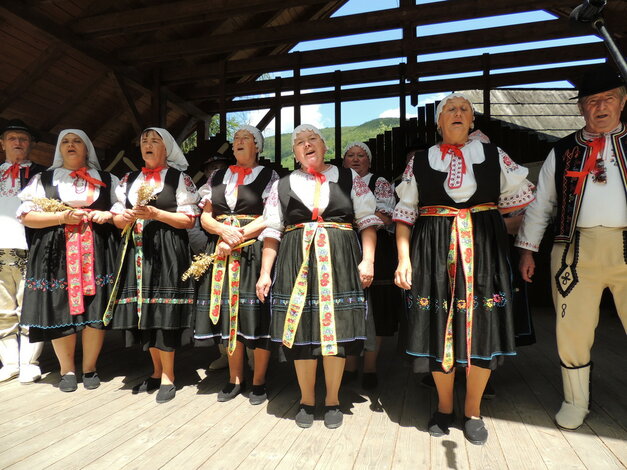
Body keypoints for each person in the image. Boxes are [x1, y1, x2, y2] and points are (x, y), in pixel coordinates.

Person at [394, 93, 534, 445]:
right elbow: (405, 213)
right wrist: (403, 258)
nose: (457, 114)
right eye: (450, 110)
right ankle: (443, 407)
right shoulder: (422, 160)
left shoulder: (493, 155)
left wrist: (505, 238)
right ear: (439, 122)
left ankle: (472, 411)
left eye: (464, 110)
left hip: (483, 251)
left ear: (472, 122)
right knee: (438, 325)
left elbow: (521, 205)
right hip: (432, 249)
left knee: (481, 327)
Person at [516, 64, 627, 430]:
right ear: (581, 108)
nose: (600, 107)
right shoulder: (562, 151)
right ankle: (575, 400)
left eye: (608, 99)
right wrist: (528, 249)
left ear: (622, 102)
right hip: (574, 253)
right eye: (592, 101)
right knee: (573, 329)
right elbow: (541, 203)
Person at [256, 124, 380, 429]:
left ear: (324, 146)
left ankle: (334, 399)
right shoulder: (282, 185)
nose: (306, 144)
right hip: (295, 261)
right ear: (294, 152)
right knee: (301, 333)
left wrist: (369, 260)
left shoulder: (350, 178)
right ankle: (307, 399)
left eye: (312, 139)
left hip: (341, 260)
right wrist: (264, 273)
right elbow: (272, 231)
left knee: (336, 332)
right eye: (299, 142)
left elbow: (366, 221)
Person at [18, 129, 119, 392]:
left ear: (87, 149)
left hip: (97, 250)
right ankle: (67, 370)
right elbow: (26, 216)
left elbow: (122, 212)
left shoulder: (107, 179)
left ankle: (90, 368)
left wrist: (108, 216)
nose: (70, 145)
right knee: (59, 306)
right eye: (65, 142)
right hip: (55, 253)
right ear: (59, 149)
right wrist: (62, 218)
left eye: (77, 142)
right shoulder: (45, 179)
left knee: (94, 308)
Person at [108, 127, 199, 404]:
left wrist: (156, 213)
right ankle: (156, 371)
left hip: (167, 249)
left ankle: (169, 376)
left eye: (154, 141)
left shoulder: (179, 178)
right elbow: (116, 217)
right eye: (144, 140)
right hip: (137, 250)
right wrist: (123, 217)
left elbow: (188, 220)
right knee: (143, 311)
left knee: (163, 312)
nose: (147, 144)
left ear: (166, 148)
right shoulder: (128, 179)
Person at [194, 125, 278, 405]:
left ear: (257, 146)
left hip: (252, 249)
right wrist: (220, 231)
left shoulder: (270, 176)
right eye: (235, 140)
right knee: (230, 313)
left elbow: (270, 216)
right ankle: (235, 379)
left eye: (244, 139)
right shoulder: (218, 176)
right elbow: (205, 216)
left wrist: (236, 236)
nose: (237, 143)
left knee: (256, 315)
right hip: (220, 249)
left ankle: (259, 380)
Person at [341, 141, 401, 390]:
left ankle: (370, 367)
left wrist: (360, 220)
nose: (355, 159)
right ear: (343, 161)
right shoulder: (338, 181)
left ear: (369, 161)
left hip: (377, 250)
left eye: (361, 155)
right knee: (348, 304)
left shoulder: (380, 183)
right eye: (350, 155)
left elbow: (388, 217)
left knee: (374, 307)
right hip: (345, 248)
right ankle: (350, 365)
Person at [0, 119, 47, 383]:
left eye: (23, 139)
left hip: (30, 249)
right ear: (2, 143)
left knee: (30, 308)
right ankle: (9, 362)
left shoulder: (42, 174)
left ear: (30, 144)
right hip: (0, 249)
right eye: (12, 138)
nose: (18, 143)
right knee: (2, 311)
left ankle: (29, 362)